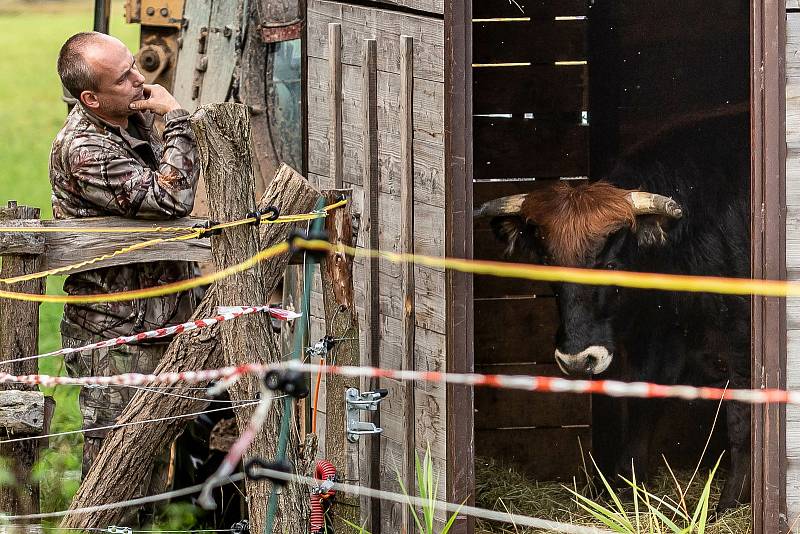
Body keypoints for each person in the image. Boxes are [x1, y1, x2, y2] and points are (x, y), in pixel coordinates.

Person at [48, 31, 203, 500]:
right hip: (114, 335)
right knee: (116, 476)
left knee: (154, 468)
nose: (139, 79)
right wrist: (177, 120)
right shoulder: (84, 149)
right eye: (124, 77)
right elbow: (170, 196)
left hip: (158, 324)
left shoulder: (128, 120)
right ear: (91, 98)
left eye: (135, 65)